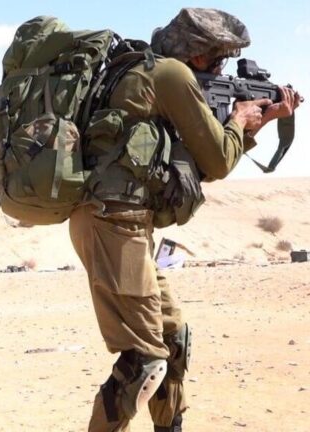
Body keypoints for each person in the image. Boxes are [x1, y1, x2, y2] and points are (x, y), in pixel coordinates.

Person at [69, 8, 302, 432]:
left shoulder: (146, 73)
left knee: (172, 337)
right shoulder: (172, 75)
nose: (222, 68)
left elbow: (198, 166)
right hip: (113, 222)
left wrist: (255, 121)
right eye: (219, 58)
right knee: (144, 361)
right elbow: (218, 161)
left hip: (124, 222)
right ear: (197, 54)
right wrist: (240, 121)